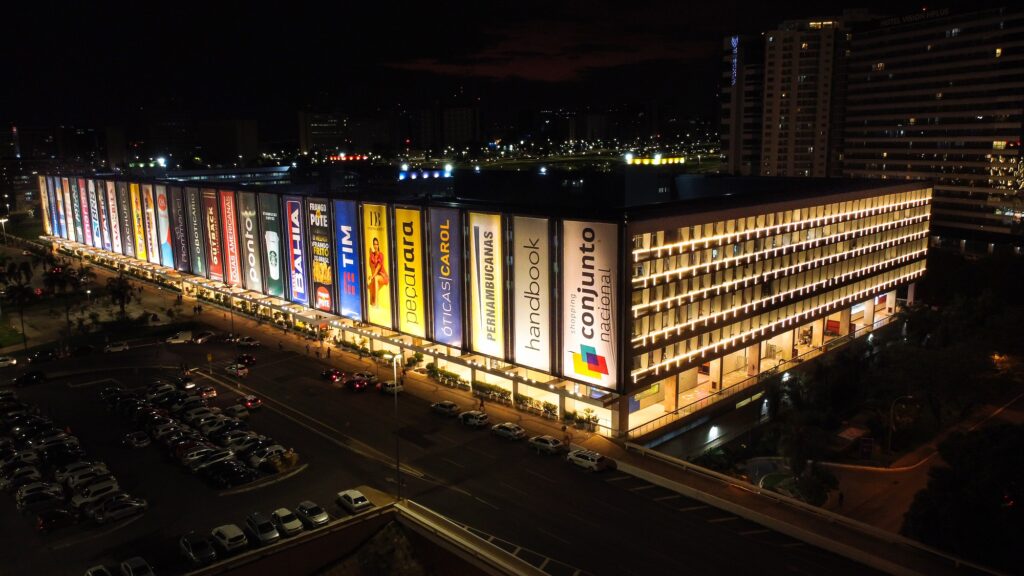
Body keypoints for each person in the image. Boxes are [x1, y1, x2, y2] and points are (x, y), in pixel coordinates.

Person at [366, 237, 389, 306]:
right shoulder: (372, 255)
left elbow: (378, 268)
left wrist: (373, 276)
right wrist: (371, 276)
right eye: (374, 244)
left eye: (377, 244)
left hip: (383, 276)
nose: (375, 246)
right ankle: (371, 303)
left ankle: (376, 303)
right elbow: (372, 268)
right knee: (370, 285)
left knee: (375, 278)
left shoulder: (381, 255)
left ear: (378, 245)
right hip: (376, 275)